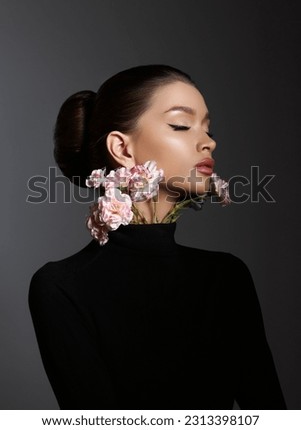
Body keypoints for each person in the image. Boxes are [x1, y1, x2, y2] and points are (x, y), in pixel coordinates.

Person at [28, 64, 286, 410]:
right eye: (181, 124)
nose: (209, 141)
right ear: (121, 148)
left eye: (207, 127)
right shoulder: (61, 287)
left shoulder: (226, 277)